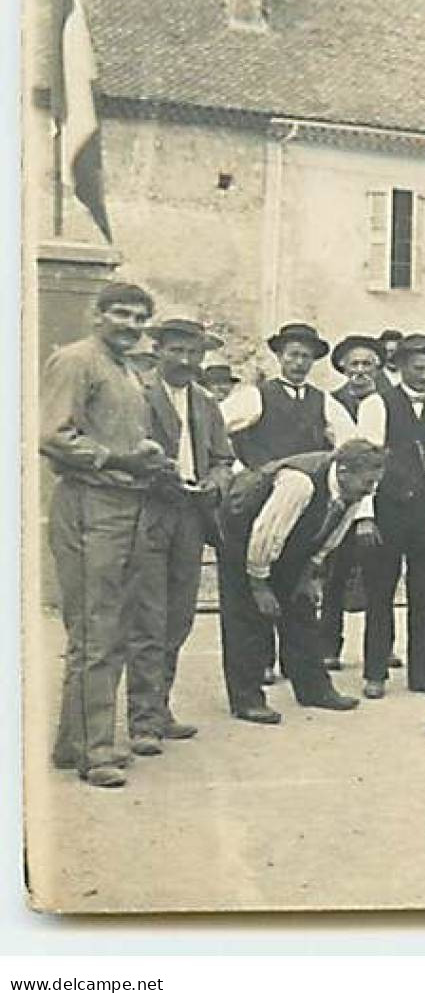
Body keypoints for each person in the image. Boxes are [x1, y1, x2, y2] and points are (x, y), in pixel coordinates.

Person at [42, 282, 172, 787]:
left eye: (141, 318)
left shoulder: (124, 369)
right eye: (121, 314)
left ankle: (74, 741)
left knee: (105, 627)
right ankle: (95, 753)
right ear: (96, 314)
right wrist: (120, 459)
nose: (132, 326)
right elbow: (52, 436)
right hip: (91, 502)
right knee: (97, 630)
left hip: (126, 503)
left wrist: (149, 460)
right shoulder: (78, 360)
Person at [125, 318, 235, 757]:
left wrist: (216, 478)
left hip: (192, 514)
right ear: (160, 351)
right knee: (148, 616)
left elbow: (226, 458)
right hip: (152, 510)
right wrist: (157, 472)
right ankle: (143, 721)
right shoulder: (138, 395)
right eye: (178, 351)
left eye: (195, 353)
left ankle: (161, 706)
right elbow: (127, 451)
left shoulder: (207, 403)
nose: (186, 360)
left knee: (179, 616)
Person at [215, 441, 384, 723]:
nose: (371, 490)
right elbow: (265, 534)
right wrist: (259, 585)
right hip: (243, 537)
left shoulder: (354, 494)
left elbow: (331, 537)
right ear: (342, 471)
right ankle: (247, 700)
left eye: (375, 483)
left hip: (287, 543)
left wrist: (308, 574)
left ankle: (314, 689)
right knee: (249, 618)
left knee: (302, 610)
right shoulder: (299, 483)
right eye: (367, 482)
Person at [355, 334, 425, 698]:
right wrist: (365, 515)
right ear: (399, 367)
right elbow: (366, 462)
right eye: (417, 368)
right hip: (388, 508)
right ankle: (375, 673)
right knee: (381, 592)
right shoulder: (376, 404)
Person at [317, 334, 387, 670]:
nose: (360, 371)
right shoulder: (329, 403)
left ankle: (381, 649)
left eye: (367, 364)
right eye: (354, 365)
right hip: (340, 498)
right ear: (343, 368)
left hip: (379, 500)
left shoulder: (387, 403)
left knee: (379, 577)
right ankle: (329, 645)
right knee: (335, 574)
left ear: (377, 367)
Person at [222, 322, 358, 469]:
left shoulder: (323, 400)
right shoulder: (256, 395)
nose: (299, 363)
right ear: (280, 357)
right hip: (264, 479)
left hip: (310, 476)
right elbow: (216, 424)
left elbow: (348, 440)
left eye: (306, 357)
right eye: (293, 355)